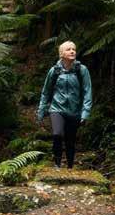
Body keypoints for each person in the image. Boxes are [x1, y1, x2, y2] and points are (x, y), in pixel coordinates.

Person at [36, 41, 92, 169]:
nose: (72, 51)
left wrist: (85, 113)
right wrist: (41, 111)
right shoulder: (54, 71)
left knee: (70, 140)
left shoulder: (82, 70)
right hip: (57, 109)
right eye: (68, 49)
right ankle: (57, 164)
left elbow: (87, 92)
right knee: (57, 134)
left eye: (73, 49)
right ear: (61, 54)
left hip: (74, 111)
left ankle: (70, 166)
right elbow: (46, 92)